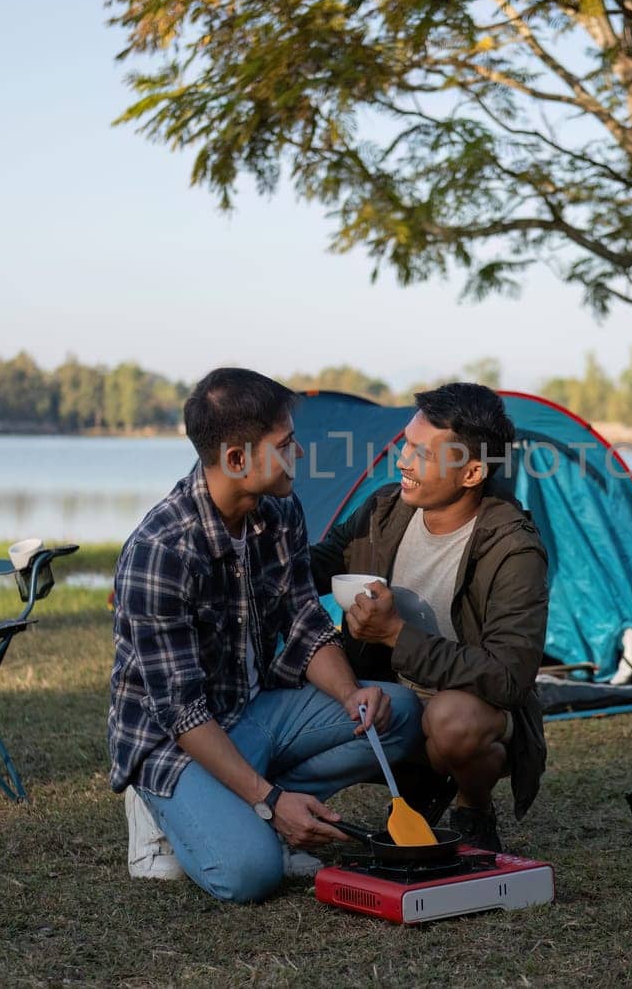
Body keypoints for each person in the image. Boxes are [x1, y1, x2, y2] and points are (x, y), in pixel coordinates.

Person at [109, 367, 422, 903]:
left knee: (395, 714)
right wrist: (271, 800)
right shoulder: (160, 550)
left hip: (253, 714)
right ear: (236, 460)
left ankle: (251, 806)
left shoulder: (280, 511)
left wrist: (351, 695)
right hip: (178, 741)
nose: (298, 455)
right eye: (286, 444)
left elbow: (304, 621)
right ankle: (167, 810)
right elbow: (183, 713)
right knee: (249, 874)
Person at [311, 383, 549, 852]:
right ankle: (418, 788)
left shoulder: (512, 547)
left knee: (453, 722)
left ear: (472, 472)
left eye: (422, 452)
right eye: (405, 444)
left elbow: (509, 678)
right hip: (388, 701)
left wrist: (396, 635)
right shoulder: (384, 509)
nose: (402, 461)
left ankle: (472, 807)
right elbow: (318, 565)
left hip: (470, 709)